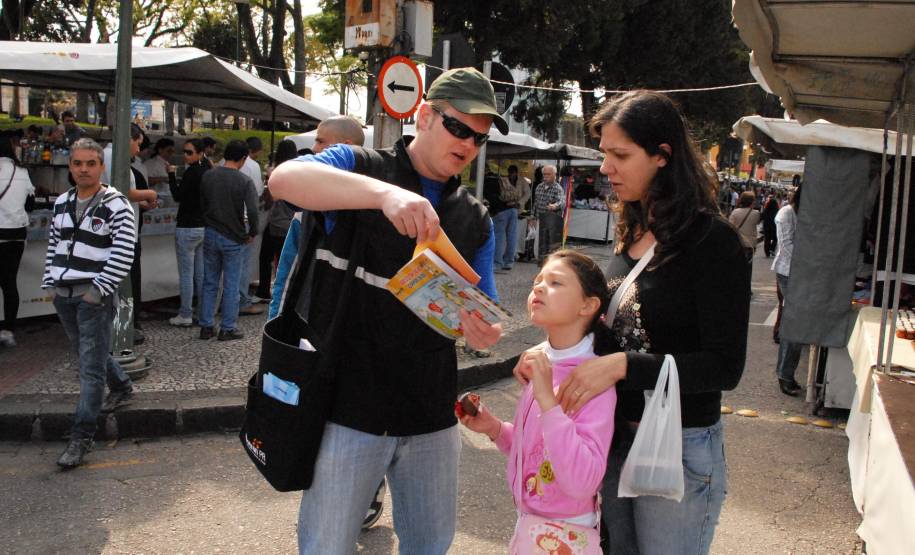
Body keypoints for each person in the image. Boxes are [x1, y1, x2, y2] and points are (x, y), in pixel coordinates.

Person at [268, 66, 506, 555]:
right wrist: (385, 195)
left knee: (429, 546)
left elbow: (487, 309)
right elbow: (284, 179)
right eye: (458, 127)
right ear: (424, 116)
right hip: (347, 409)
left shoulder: (475, 218)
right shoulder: (362, 166)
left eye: (479, 139)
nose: (467, 144)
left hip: (432, 413)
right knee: (326, 545)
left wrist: (483, 331)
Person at [528, 90, 749, 555]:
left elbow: (724, 367)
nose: (605, 167)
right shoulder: (632, 231)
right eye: (605, 153)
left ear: (662, 156)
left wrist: (624, 366)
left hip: (677, 445)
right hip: (610, 435)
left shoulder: (713, 242)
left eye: (619, 155)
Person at [461, 249, 615, 555]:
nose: (539, 287)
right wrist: (495, 429)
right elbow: (536, 451)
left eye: (556, 283)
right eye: (537, 280)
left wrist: (547, 400)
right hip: (531, 525)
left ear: (589, 305)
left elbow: (583, 482)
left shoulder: (592, 381)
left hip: (566, 532)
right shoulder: (542, 363)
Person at [41, 138, 136, 468]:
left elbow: (124, 253)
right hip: (64, 295)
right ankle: (123, 384)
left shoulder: (116, 204)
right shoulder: (62, 202)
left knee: (89, 368)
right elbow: (53, 245)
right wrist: (50, 284)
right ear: (70, 167)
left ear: (101, 166)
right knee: (87, 350)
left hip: (92, 296)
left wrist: (98, 290)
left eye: (90, 164)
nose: (83, 169)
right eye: (78, 164)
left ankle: (81, 437)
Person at [268, 117, 366, 320]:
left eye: (321, 141)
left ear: (345, 147)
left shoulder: (374, 206)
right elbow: (286, 275)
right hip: (308, 320)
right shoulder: (306, 207)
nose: (314, 148)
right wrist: (276, 323)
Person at [198, 140, 258, 341]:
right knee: (231, 283)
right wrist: (253, 232)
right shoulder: (244, 181)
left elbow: (203, 202)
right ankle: (228, 327)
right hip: (234, 237)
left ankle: (206, 326)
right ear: (243, 159)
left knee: (210, 282)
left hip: (210, 232)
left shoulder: (208, 176)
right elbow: (252, 210)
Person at [168, 138, 210, 327]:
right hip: (202, 226)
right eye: (184, 152)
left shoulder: (192, 172)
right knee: (200, 273)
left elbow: (178, 196)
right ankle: (203, 311)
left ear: (200, 153)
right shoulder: (207, 171)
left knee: (186, 273)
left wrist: (171, 176)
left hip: (187, 227)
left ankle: (185, 313)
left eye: (189, 152)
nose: (186, 155)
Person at [0, 131, 35, 347]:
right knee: (9, 282)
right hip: (17, 234)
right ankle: (8, 330)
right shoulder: (21, 171)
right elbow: (30, 204)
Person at [772, 185, 804, 396]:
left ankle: (786, 373)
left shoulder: (801, 213)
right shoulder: (786, 213)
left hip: (801, 273)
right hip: (788, 271)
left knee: (796, 323)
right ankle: (785, 374)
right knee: (794, 323)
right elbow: (786, 245)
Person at [233, 136, 266, 313]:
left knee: (227, 265)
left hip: (226, 221)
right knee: (243, 264)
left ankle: (227, 301)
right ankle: (242, 301)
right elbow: (258, 193)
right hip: (244, 220)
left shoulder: (223, 163)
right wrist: (254, 229)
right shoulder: (253, 166)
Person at [491, 164, 530, 272]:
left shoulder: (522, 181)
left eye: (513, 173)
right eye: (510, 173)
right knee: (508, 236)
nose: (511, 175)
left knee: (505, 237)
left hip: (512, 209)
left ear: (516, 173)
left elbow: (527, 194)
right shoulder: (505, 180)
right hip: (510, 208)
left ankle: (503, 262)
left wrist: (520, 202)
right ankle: (507, 261)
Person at [533, 164, 564, 260]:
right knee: (539, 243)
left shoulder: (557, 188)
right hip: (540, 219)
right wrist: (532, 216)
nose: (546, 176)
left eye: (548, 174)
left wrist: (555, 206)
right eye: (544, 174)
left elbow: (562, 201)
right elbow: (536, 203)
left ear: (555, 175)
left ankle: (550, 261)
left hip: (552, 221)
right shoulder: (539, 187)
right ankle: (541, 260)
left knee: (551, 244)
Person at [729, 190, 761, 281]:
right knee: (748, 266)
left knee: (737, 265)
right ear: (752, 201)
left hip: (738, 243)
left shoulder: (735, 212)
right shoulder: (756, 213)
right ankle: (747, 287)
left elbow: (730, 227)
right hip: (751, 244)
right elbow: (757, 222)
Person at [762, 192, 779, 257]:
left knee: (767, 239)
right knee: (775, 238)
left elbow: (762, 217)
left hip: (766, 227)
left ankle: (767, 252)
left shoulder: (766, 210)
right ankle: (772, 248)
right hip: (774, 227)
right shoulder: (777, 211)